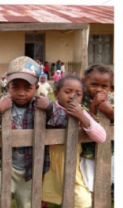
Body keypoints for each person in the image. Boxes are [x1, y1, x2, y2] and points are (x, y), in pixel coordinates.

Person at [0, 56, 68, 208]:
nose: (21, 93)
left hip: (30, 168)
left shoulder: (40, 106)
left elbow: (64, 121)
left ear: (36, 87)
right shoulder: (4, 104)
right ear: (8, 86)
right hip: (7, 165)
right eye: (15, 87)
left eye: (27, 88)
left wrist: (50, 107)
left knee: (26, 203)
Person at [42, 75, 106, 208]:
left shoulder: (82, 113)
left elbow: (101, 137)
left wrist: (82, 117)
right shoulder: (48, 110)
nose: (72, 96)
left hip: (72, 164)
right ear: (56, 94)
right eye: (67, 92)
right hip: (47, 163)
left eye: (78, 94)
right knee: (42, 194)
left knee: (83, 201)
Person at [79, 64, 114, 196]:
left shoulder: (112, 100)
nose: (98, 90)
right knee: (90, 183)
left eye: (104, 86)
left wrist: (110, 111)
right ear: (84, 82)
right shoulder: (82, 100)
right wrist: (93, 105)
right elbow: (86, 122)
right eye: (94, 84)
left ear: (110, 86)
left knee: (109, 178)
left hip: (110, 150)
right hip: (88, 151)